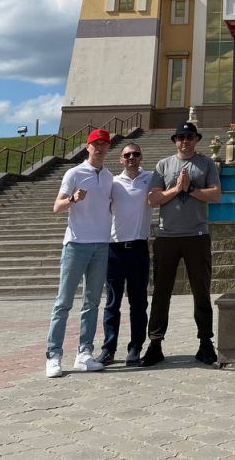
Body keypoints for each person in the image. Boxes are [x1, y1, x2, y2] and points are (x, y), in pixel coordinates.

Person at [140, 121, 221, 367]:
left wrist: (191, 188)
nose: (185, 141)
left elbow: (215, 194)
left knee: (201, 291)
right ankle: (155, 343)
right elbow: (153, 199)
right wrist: (177, 189)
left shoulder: (206, 164)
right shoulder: (163, 165)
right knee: (161, 292)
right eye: (181, 137)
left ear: (196, 139)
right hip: (167, 237)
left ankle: (205, 342)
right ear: (175, 140)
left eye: (189, 137)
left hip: (197, 235)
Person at [45, 128, 114, 377]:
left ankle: (84, 353)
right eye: (96, 144)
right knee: (63, 302)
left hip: (101, 244)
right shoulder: (74, 173)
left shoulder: (109, 177)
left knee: (92, 303)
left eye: (104, 144)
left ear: (108, 148)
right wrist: (72, 199)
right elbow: (56, 207)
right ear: (88, 146)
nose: (100, 148)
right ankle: (53, 354)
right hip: (76, 244)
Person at [99, 143, 152, 367]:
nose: (131, 157)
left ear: (141, 157)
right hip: (114, 249)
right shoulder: (113, 182)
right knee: (112, 302)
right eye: (127, 155)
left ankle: (135, 347)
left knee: (138, 303)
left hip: (139, 247)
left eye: (135, 154)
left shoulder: (150, 178)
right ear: (120, 159)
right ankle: (108, 348)